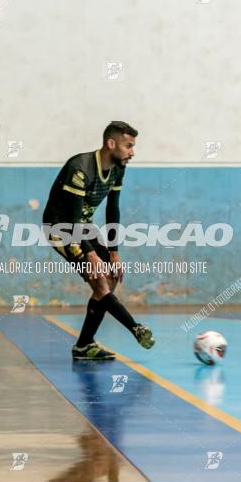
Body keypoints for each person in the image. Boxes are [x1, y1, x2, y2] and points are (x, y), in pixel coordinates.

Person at [42, 121, 155, 360]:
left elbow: (113, 210)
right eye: (128, 146)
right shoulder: (80, 168)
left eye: (133, 147)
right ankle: (135, 328)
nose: (132, 152)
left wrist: (113, 252)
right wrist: (91, 255)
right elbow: (71, 223)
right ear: (110, 143)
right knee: (101, 284)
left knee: (111, 276)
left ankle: (84, 345)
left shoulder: (118, 168)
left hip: (83, 226)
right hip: (61, 228)